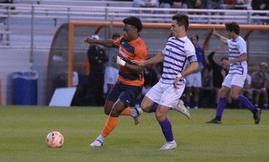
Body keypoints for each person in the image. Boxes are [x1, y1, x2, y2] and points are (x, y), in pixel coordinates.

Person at [132, 13, 198, 150]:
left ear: (182, 27)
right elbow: (162, 55)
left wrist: (180, 75)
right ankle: (174, 106)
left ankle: (171, 142)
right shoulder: (171, 40)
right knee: (145, 106)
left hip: (175, 84)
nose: (171, 28)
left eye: (173, 26)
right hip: (163, 81)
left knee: (160, 114)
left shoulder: (188, 45)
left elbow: (195, 65)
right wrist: (144, 63)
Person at [85, 16, 148, 147]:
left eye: (127, 30)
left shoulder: (140, 47)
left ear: (135, 30)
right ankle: (133, 112)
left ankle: (100, 140)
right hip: (121, 81)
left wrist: (121, 62)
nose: (124, 33)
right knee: (108, 110)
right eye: (123, 30)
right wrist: (94, 41)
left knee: (114, 111)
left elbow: (139, 69)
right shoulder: (124, 40)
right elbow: (112, 43)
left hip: (133, 85)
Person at [206, 22, 262, 124]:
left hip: (240, 70)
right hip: (233, 70)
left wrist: (230, 62)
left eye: (228, 31)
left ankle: (255, 110)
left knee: (234, 95)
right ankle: (218, 118)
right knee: (223, 92)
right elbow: (225, 40)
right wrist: (216, 34)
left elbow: (244, 57)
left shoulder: (241, 42)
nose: (227, 33)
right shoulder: (232, 40)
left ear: (232, 32)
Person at [185, 34, 207, 109]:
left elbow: (203, 61)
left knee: (197, 90)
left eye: (194, 39)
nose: (193, 41)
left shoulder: (200, 50)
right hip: (190, 72)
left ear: (197, 40)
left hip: (197, 72)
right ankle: (187, 105)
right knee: (188, 89)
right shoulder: (188, 50)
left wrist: (203, 70)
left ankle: (196, 105)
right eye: (192, 40)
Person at [87, 34, 108, 106]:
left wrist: (98, 58)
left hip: (100, 72)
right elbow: (92, 58)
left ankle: (100, 103)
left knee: (100, 86)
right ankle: (93, 103)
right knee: (93, 87)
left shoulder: (101, 50)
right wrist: (98, 59)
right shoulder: (90, 50)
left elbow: (105, 58)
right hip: (93, 72)